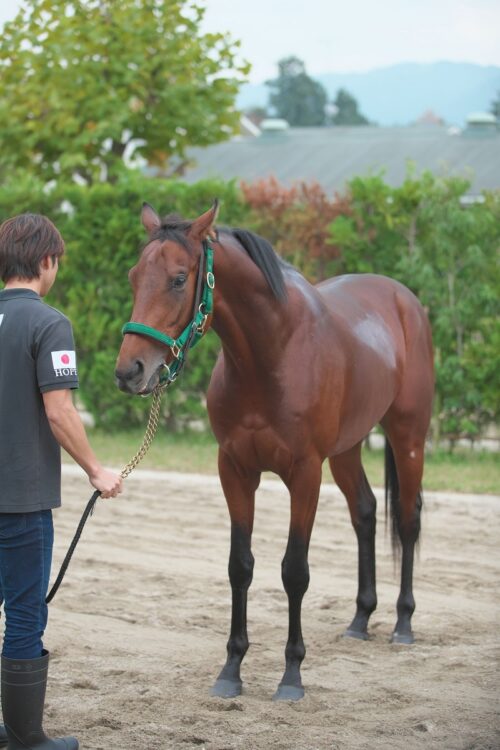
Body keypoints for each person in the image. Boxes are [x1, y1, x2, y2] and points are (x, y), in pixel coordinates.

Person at [0, 213, 122, 750]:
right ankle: (27, 738)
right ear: (46, 261)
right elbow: (60, 411)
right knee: (25, 613)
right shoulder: (51, 324)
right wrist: (97, 469)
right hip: (21, 503)